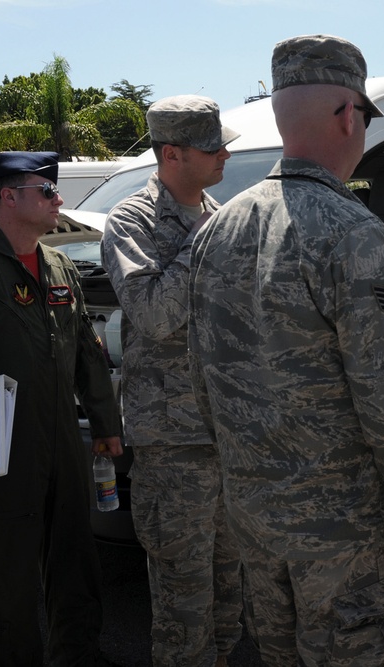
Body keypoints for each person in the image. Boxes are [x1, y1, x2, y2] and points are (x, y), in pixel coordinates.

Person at [188, 34, 384, 667]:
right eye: (364, 118)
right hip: (341, 542)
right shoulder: (351, 232)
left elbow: (204, 386)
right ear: (348, 115)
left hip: (258, 528)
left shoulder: (217, 231)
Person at [0, 151, 123, 665]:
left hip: (58, 439)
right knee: (1, 577)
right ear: (8, 197)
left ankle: (77, 656)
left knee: (75, 563)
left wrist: (104, 423)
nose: (59, 200)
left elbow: (86, 350)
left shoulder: (58, 264)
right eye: (46, 190)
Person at [100, 95, 242, 667]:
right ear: (172, 153)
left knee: (230, 596)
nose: (224, 155)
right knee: (184, 608)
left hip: (229, 436)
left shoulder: (221, 213)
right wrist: (206, 243)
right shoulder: (132, 221)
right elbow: (155, 314)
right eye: (212, 148)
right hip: (173, 446)